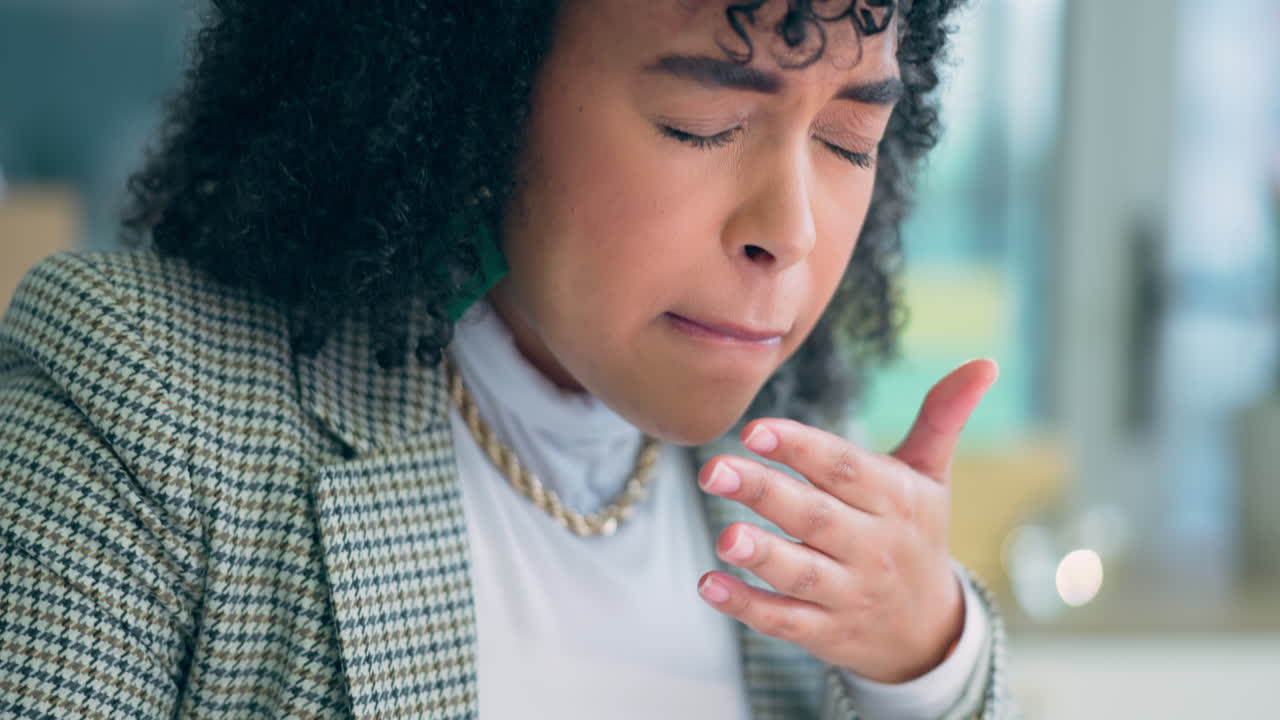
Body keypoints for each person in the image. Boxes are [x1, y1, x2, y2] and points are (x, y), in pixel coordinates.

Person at [0, 1, 1018, 718]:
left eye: (848, 139)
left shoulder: (795, 498)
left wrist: (928, 664)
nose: (789, 233)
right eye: (699, 123)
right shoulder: (144, 402)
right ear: (474, 97)